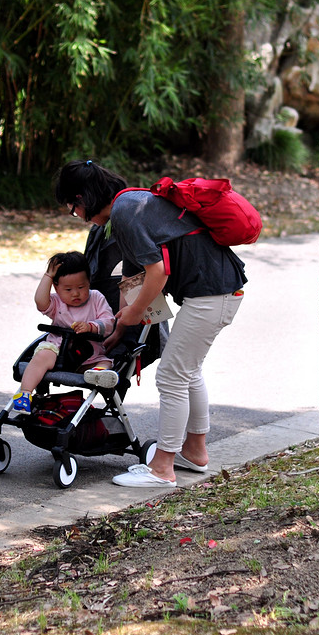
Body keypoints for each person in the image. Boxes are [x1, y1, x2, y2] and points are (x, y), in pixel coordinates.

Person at [54, 159, 246, 487]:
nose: (77, 216)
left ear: (83, 199)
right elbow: (135, 280)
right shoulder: (127, 208)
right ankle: (195, 452)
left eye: (73, 209)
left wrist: (130, 314)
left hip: (213, 293)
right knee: (188, 371)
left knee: (172, 376)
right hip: (216, 290)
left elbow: (158, 274)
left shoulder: (127, 212)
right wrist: (121, 328)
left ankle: (162, 468)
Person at [11, 251, 117, 413]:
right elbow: (40, 302)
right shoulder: (57, 302)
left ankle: (97, 373)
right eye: (68, 289)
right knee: (41, 355)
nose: (75, 293)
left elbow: (109, 322)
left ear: (89, 282)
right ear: (56, 287)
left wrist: (91, 326)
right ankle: (24, 394)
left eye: (81, 287)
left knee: (107, 362)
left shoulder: (96, 298)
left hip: (88, 356)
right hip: (58, 351)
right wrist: (48, 276)